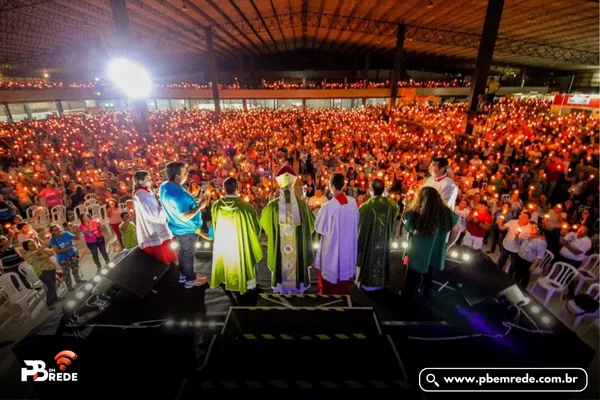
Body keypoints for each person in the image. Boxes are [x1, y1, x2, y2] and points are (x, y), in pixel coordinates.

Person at [260, 166, 315, 294]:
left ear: (279, 184)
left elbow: (265, 224)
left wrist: (269, 202)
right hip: (298, 251)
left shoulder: (272, 206)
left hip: (280, 250)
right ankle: (299, 286)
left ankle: (281, 287)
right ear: (293, 183)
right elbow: (311, 226)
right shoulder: (302, 206)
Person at [401, 187, 460, 302]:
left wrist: (405, 209)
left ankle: (407, 298)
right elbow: (457, 230)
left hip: (417, 251)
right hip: (435, 251)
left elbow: (408, 228)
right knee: (428, 276)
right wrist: (447, 245)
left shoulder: (416, 212)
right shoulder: (446, 213)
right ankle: (424, 294)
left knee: (411, 277)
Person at [159, 162, 208, 289]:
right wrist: (199, 206)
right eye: (184, 172)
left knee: (182, 252)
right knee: (188, 255)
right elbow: (185, 216)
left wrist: (193, 200)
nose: (187, 175)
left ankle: (182, 275)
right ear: (177, 176)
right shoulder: (179, 194)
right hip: (187, 229)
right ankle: (190, 280)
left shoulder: (164, 186)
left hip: (177, 227)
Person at [210, 177, 263, 294]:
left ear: (224, 189)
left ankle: (226, 280)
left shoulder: (216, 206)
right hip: (240, 243)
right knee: (245, 257)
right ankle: (248, 283)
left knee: (226, 259)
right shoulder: (246, 207)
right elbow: (255, 227)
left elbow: (215, 225)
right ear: (237, 189)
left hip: (225, 242)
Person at [314, 173, 359, 295]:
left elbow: (319, 228)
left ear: (331, 186)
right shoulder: (353, 202)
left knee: (331, 269)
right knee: (342, 271)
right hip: (348, 244)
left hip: (332, 246)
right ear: (344, 185)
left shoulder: (328, 206)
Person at [356, 179, 399, 291]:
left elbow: (361, 228)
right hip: (384, 241)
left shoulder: (366, 207)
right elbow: (396, 207)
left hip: (370, 243)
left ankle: (368, 283)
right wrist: (387, 195)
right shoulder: (391, 205)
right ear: (384, 190)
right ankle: (381, 282)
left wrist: (358, 244)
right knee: (382, 258)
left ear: (370, 190)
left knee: (369, 257)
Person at [132, 170, 177, 265]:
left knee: (168, 254)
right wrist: (165, 205)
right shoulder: (141, 195)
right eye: (147, 179)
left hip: (157, 226)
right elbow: (153, 214)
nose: (150, 180)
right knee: (161, 257)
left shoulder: (145, 192)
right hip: (153, 228)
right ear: (140, 181)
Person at [22, 239, 58, 310]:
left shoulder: (40, 250)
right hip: (43, 272)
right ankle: (49, 303)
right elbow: (37, 253)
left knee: (53, 284)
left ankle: (56, 298)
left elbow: (51, 253)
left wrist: (44, 248)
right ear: (28, 248)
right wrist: (44, 245)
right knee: (51, 286)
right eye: (31, 245)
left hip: (51, 269)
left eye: (34, 243)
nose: (34, 245)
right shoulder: (28, 254)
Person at [48, 223, 83, 291]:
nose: (58, 230)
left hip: (73, 254)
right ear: (52, 232)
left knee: (75, 268)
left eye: (59, 228)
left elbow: (77, 238)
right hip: (63, 258)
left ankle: (78, 280)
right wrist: (71, 246)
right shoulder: (53, 241)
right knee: (66, 273)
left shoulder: (66, 233)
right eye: (55, 230)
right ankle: (69, 287)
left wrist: (76, 231)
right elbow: (58, 251)